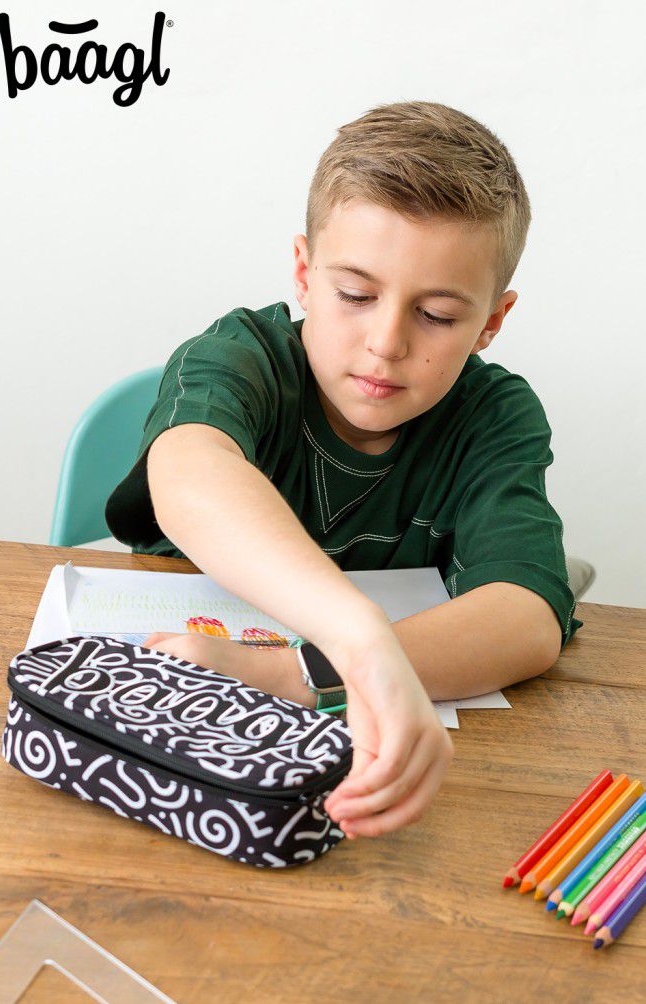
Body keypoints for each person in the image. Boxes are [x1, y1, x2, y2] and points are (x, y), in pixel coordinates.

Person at [104, 100, 583, 842]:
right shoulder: (238, 356)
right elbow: (189, 476)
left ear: (492, 320)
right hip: (171, 737)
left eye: (438, 315)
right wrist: (363, 640)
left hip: (357, 769)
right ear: (304, 273)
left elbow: (526, 616)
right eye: (355, 295)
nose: (386, 342)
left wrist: (305, 673)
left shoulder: (494, 415)